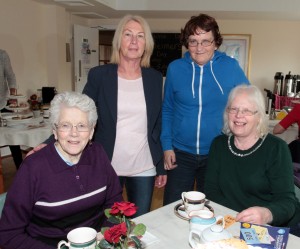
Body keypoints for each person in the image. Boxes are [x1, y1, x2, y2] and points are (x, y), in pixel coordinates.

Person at [28, 15, 166, 217]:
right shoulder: (100, 75)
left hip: (144, 165)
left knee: (141, 222)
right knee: (106, 224)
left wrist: (160, 166)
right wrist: (50, 142)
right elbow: (79, 112)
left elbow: (157, 123)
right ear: (119, 40)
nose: (134, 41)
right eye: (128, 34)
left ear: (147, 44)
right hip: (106, 163)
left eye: (140, 36)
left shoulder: (154, 78)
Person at [0, 92, 123, 248]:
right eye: (65, 125)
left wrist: (106, 235)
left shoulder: (98, 154)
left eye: (82, 125)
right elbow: (9, 234)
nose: (74, 133)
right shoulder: (33, 168)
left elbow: (115, 202)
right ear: (54, 130)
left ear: (92, 131)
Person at [161, 13, 249, 205]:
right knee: (172, 208)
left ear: (216, 43)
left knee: (211, 209)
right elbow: (167, 108)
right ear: (187, 43)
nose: (199, 48)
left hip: (217, 153)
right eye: (193, 41)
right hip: (180, 153)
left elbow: (248, 103)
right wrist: (166, 146)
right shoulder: (175, 68)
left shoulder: (231, 67)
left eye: (205, 41)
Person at [205, 84, 300, 235]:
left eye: (247, 111)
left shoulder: (276, 148)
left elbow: (288, 202)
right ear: (227, 113)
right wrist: (235, 218)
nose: (238, 115)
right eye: (233, 109)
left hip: (271, 229)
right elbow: (211, 190)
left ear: (259, 117)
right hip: (231, 223)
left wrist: (267, 214)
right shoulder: (219, 144)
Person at [0, 49, 22, 169]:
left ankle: (20, 168)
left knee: (13, 139)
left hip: (3, 103)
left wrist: (13, 96)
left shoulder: (2, 55)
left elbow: (10, 76)